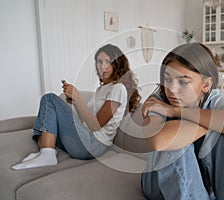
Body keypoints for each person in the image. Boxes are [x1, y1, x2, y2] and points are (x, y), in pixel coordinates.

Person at [141, 43, 224, 200]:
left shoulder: (213, 99)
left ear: (206, 84)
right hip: (157, 183)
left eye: (183, 81)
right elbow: (158, 141)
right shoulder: (157, 101)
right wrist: (215, 123)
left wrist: (176, 111)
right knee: (175, 140)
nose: (172, 89)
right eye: (167, 80)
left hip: (202, 182)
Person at [12, 44, 141, 170]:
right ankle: (46, 150)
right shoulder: (101, 89)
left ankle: (47, 154)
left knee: (49, 98)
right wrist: (75, 102)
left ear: (117, 64)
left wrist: (78, 98)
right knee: (47, 123)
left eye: (108, 62)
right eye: (99, 62)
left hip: (93, 145)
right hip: (84, 138)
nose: (103, 66)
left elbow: (96, 125)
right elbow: (85, 120)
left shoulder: (118, 89)